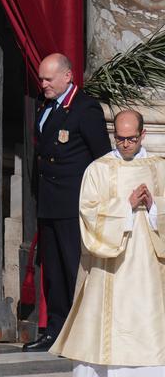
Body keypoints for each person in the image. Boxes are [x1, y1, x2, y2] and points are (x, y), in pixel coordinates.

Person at [50, 110, 165, 375]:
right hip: (110, 268)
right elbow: (88, 214)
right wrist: (126, 206)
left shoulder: (159, 167)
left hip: (150, 269)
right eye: (120, 138)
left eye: (131, 139)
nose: (125, 144)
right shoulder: (98, 169)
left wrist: (153, 206)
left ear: (142, 135)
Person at [23, 53, 111, 352]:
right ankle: (55, 332)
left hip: (74, 204)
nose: (43, 83)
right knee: (55, 273)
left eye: (48, 78)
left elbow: (102, 158)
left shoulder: (85, 109)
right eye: (41, 78)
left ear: (67, 76)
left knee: (75, 269)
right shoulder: (44, 103)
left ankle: (84, 333)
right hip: (49, 202)